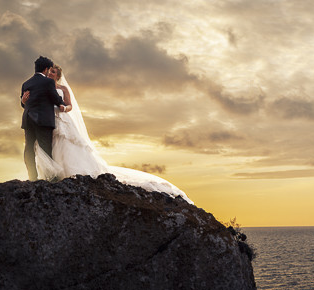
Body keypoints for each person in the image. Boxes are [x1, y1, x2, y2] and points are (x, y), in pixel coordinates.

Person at [22, 62, 192, 204]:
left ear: (58, 75)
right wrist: (24, 101)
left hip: (61, 120)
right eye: (50, 70)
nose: (51, 73)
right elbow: (34, 101)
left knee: (65, 144)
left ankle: (66, 175)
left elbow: (69, 105)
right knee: (47, 146)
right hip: (46, 121)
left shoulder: (63, 88)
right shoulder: (42, 86)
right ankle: (48, 175)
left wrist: (64, 108)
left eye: (54, 72)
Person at [20, 56, 66, 181]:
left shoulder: (26, 83)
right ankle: (50, 178)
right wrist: (64, 104)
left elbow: (24, 102)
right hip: (43, 120)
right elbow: (55, 98)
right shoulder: (48, 82)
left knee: (29, 149)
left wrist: (23, 101)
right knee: (46, 149)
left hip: (28, 119)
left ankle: (32, 177)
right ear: (46, 69)